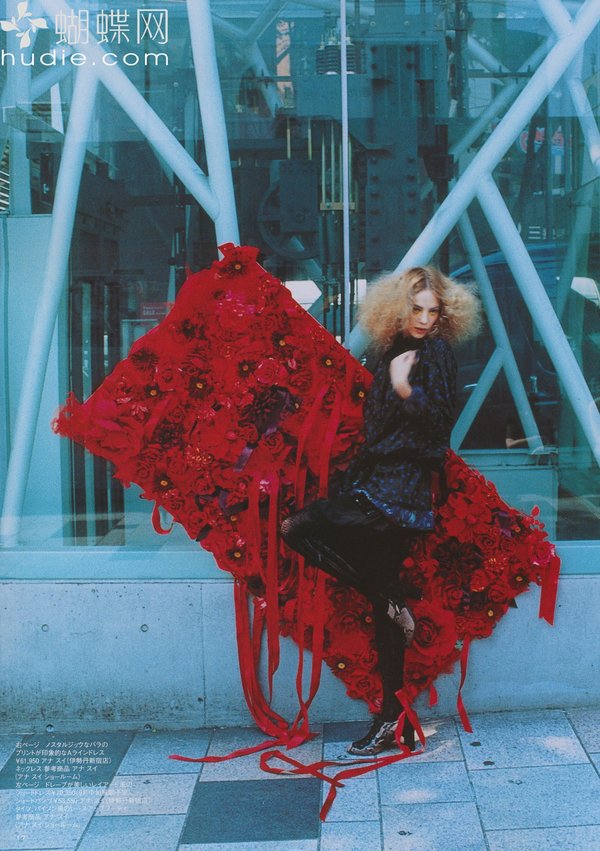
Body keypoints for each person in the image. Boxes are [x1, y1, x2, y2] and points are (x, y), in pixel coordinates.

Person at [281, 265, 481, 756]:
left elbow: (439, 426)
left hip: (400, 495)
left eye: (434, 311)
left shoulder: (434, 353)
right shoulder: (390, 350)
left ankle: (392, 605)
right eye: (417, 309)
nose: (425, 319)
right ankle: (392, 718)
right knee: (384, 614)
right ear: (397, 308)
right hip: (375, 485)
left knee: (297, 528)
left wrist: (404, 387)